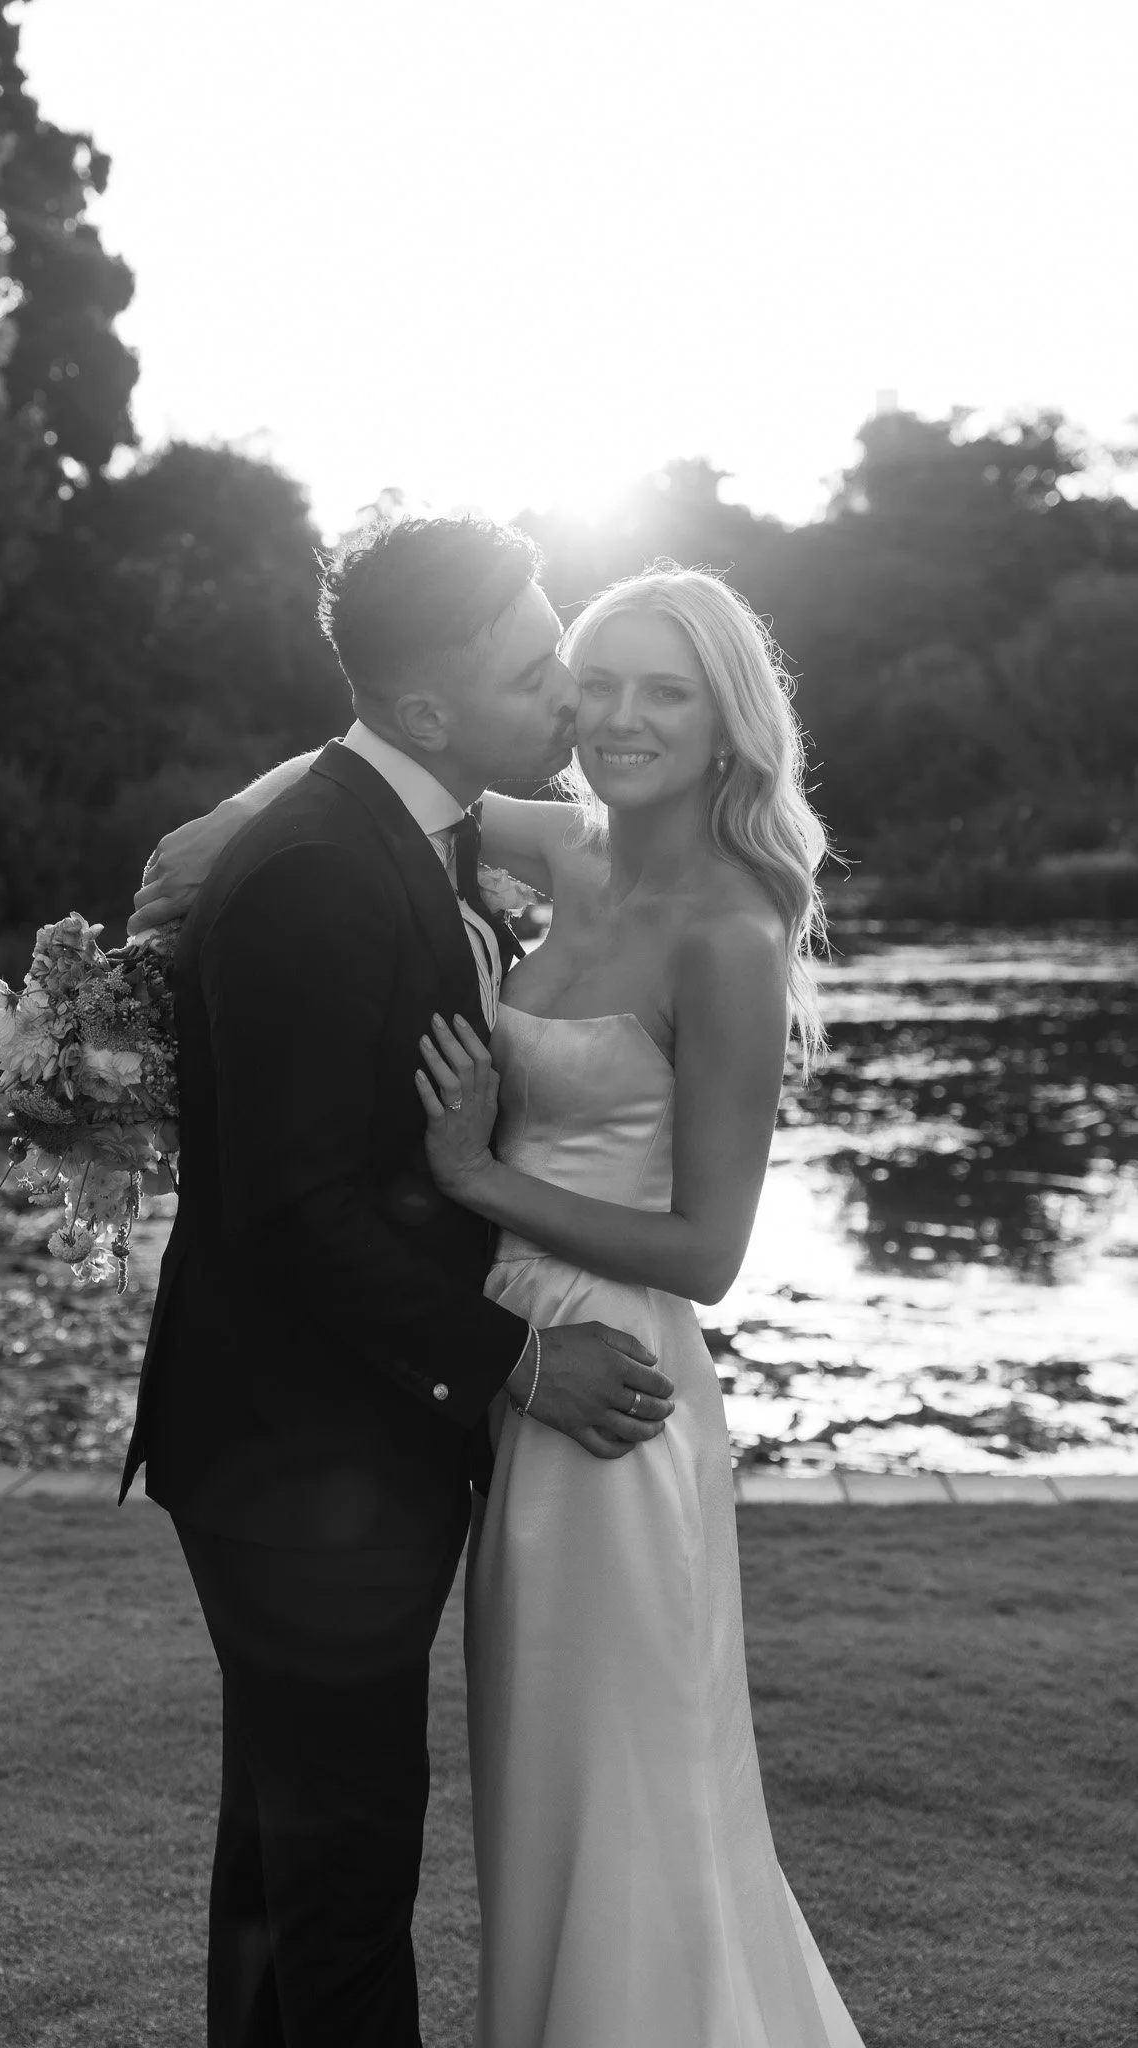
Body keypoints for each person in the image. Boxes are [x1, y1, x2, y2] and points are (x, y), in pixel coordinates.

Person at [136, 558, 868, 2047]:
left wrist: (480, 1180)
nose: (603, 713)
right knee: (525, 1783)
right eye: (585, 678)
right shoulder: (574, 851)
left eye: (660, 691)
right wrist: (231, 822)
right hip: (503, 1381)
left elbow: (709, 1252)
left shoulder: (730, 932)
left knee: (629, 1776)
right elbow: (369, 767)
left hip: (607, 1382)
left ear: (730, 723)